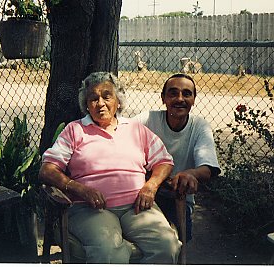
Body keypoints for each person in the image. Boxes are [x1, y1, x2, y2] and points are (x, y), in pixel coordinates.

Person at [39, 72, 182, 264]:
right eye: (93, 98)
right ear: (86, 104)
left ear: (118, 101)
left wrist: (151, 186)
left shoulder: (135, 129)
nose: (100, 103)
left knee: (168, 247)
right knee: (109, 252)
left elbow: (164, 161)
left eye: (107, 96)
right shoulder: (74, 130)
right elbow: (47, 170)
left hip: (137, 207)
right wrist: (81, 189)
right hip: (90, 209)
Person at [135, 73, 221, 242]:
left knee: (178, 241)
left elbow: (208, 167)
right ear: (163, 98)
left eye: (187, 94)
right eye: (173, 93)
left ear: (194, 99)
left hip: (178, 197)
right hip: (144, 191)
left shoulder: (199, 126)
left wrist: (190, 174)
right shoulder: (147, 119)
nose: (180, 99)